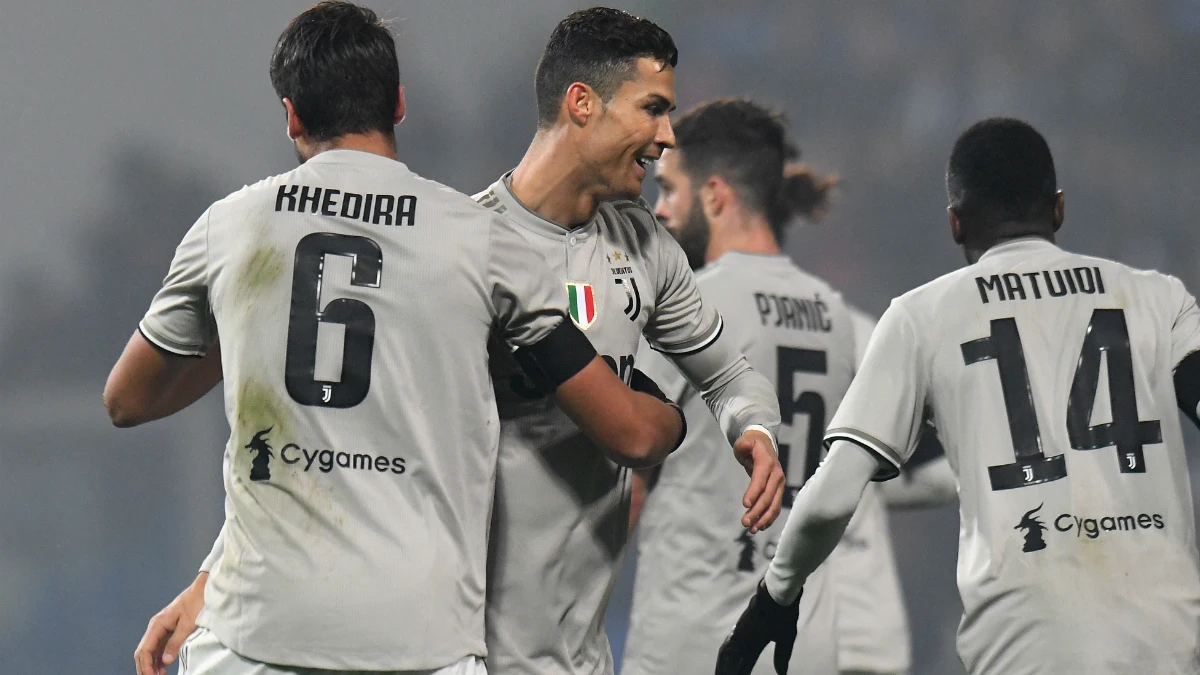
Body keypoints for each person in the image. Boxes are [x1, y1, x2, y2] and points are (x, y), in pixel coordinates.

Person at [133, 8, 787, 675]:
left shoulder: (645, 249)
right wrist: (212, 578)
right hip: (458, 647)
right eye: (652, 109)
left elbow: (726, 370)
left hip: (576, 654)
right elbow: (325, 438)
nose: (667, 135)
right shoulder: (456, 247)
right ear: (583, 104)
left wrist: (754, 426)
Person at [717, 117, 1200, 675]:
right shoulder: (1159, 299)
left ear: (954, 223)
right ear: (1059, 209)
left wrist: (776, 595)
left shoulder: (923, 316)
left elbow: (830, 496)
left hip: (1028, 640)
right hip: (1168, 636)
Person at [620, 98, 953, 675]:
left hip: (697, 638)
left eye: (670, 190)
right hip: (801, 642)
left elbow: (630, 465)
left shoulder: (688, 307)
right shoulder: (836, 317)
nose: (661, 210)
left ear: (716, 195)